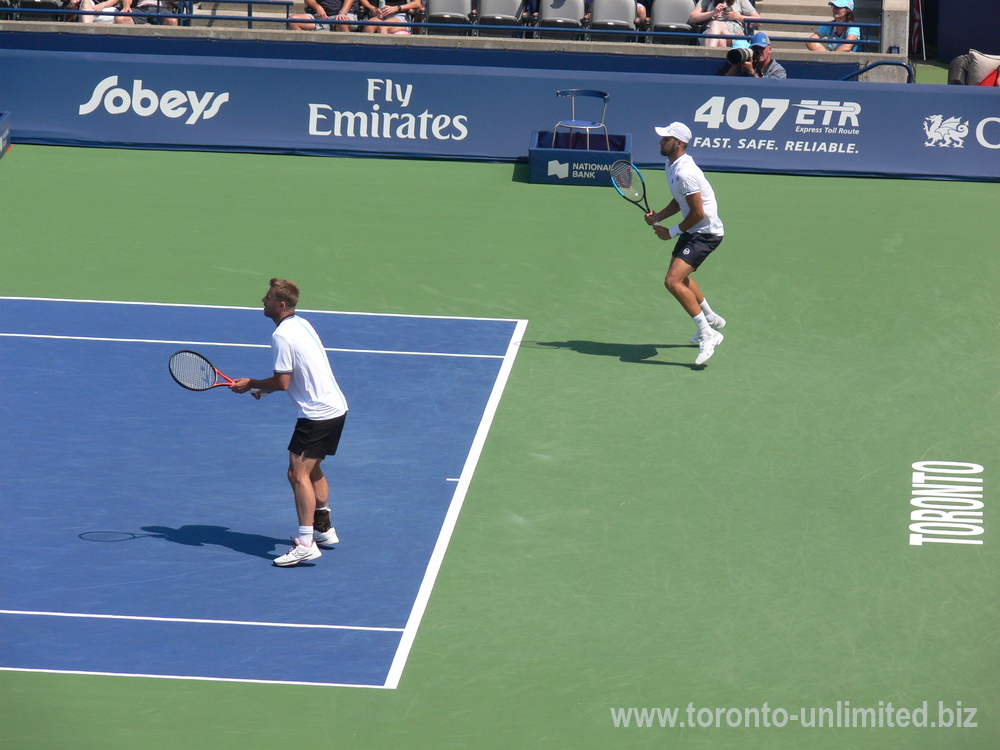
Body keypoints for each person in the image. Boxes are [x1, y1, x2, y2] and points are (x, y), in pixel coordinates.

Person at [230, 279, 349, 567]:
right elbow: (296, 372)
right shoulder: (302, 324)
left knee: (297, 475)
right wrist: (265, 388)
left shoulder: (281, 336)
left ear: (280, 304)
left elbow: (284, 382)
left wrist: (251, 384)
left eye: (268, 297)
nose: (263, 300)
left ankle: (306, 543)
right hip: (335, 408)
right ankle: (323, 528)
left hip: (317, 415)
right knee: (312, 469)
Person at [643, 123, 727, 366]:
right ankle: (710, 317)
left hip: (705, 233)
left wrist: (670, 232)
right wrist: (658, 217)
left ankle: (708, 334)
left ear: (678, 143)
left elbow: (699, 212)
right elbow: (680, 200)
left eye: (666, 139)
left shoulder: (685, 172)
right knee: (681, 279)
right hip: (692, 230)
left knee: (672, 281)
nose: (660, 142)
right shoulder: (672, 164)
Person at [688, 0, 760, 48]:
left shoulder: (740, 1)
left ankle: (708, 54)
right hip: (710, 32)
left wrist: (737, 16)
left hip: (733, 32)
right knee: (720, 41)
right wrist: (713, 12)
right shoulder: (707, 1)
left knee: (715, 24)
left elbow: (759, 21)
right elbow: (693, 18)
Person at [288, 0, 357, 32]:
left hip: (345, 14)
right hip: (321, 17)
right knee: (293, 20)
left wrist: (342, 13)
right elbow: (308, 1)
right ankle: (304, 50)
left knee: (342, 22)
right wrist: (318, 7)